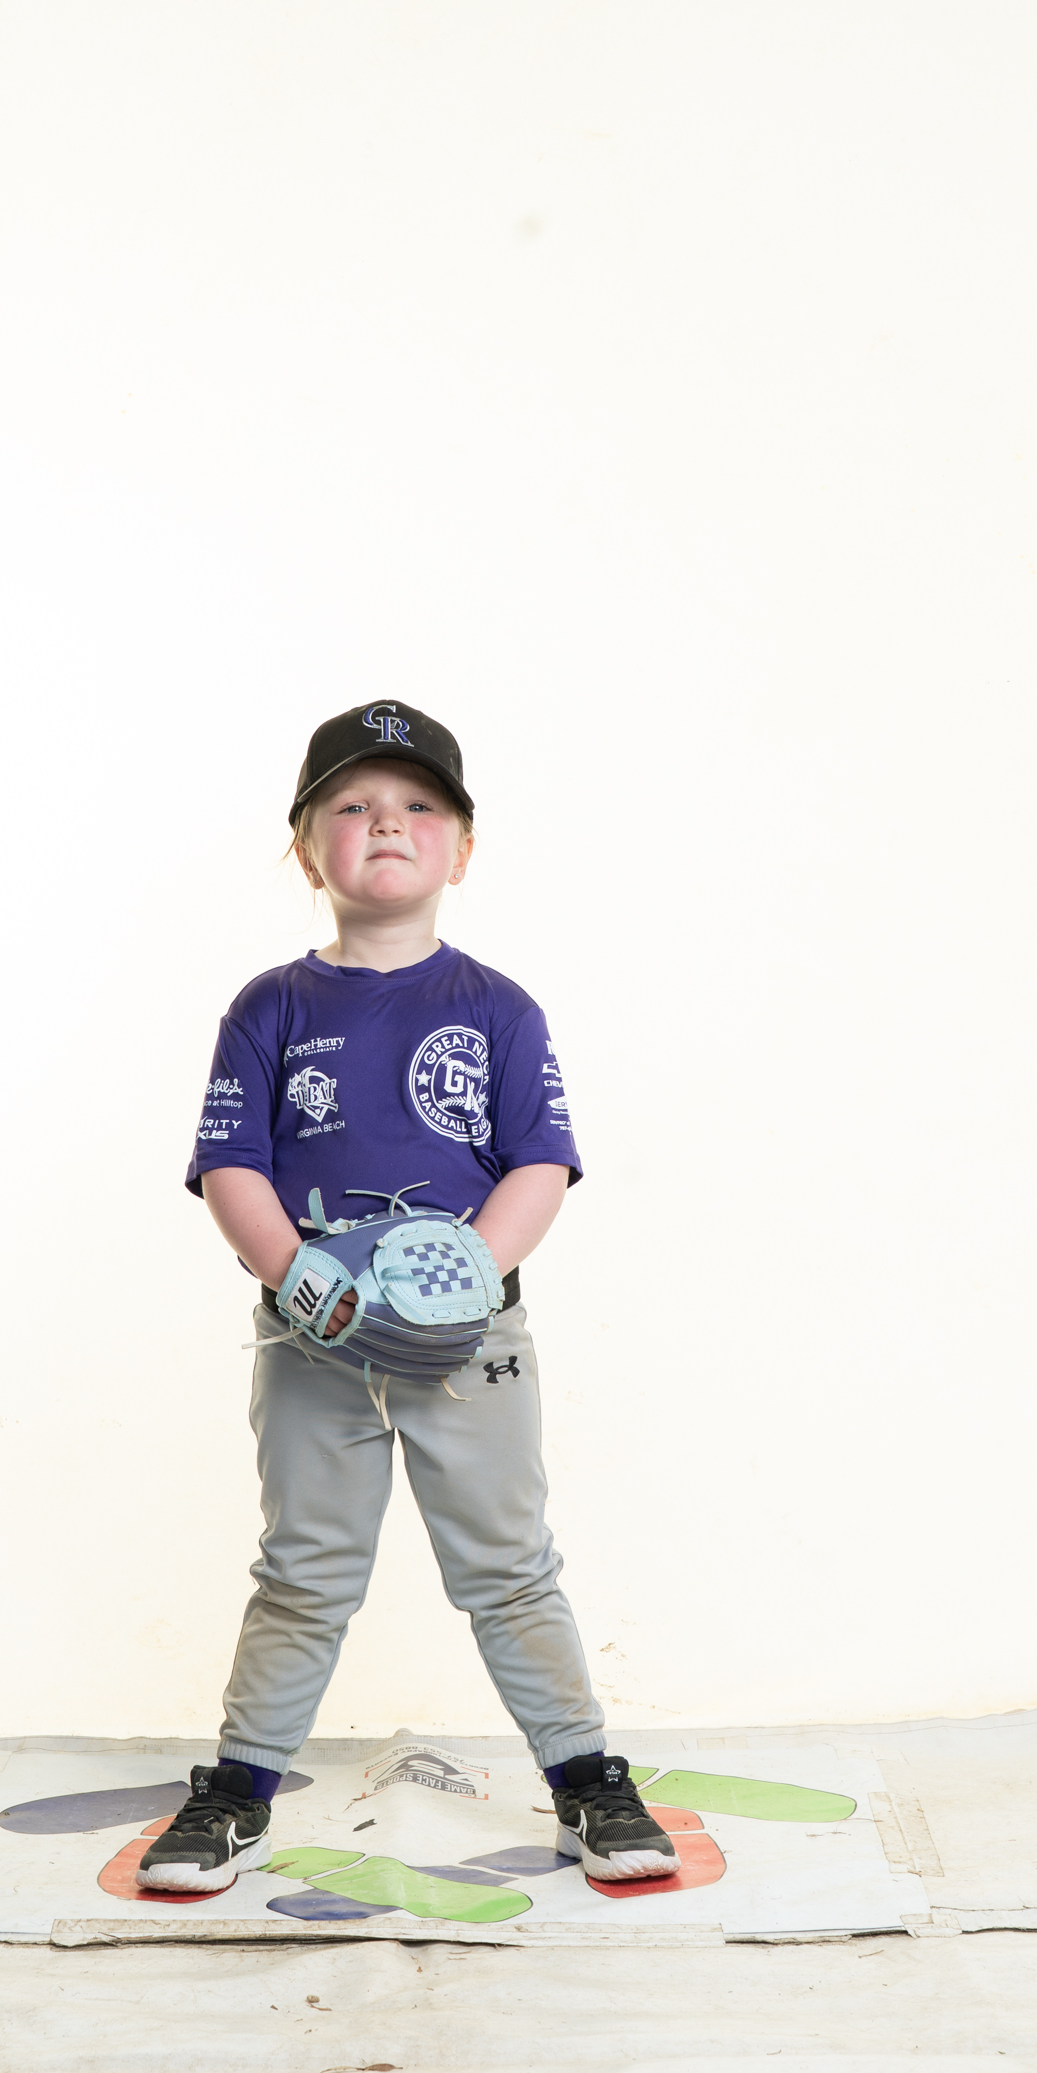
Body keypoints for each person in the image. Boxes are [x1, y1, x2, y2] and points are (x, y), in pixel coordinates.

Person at [138, 697, 676, 1894]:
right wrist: (296, 1276)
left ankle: (586, 1776)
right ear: (304, 848)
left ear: (462, 848)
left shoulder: (498, 1007)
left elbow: (539, 1163)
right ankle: (237, 1789)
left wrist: (468, 1276)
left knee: (508, 1562)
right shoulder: (269, 1007)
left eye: (419, 804)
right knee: (304, 1566)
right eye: (352, 804)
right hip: (312, 1337)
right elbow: (231, 1164)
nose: (386, 821)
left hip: (469, 1339)